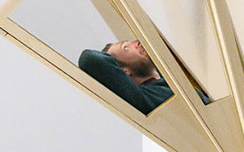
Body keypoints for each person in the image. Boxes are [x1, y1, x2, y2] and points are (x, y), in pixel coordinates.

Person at [78, 39, 209, 115]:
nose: (137, 43)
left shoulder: (172, 79)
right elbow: (89, 59)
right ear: (124, 71)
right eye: (126, 48)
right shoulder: (145, 98)